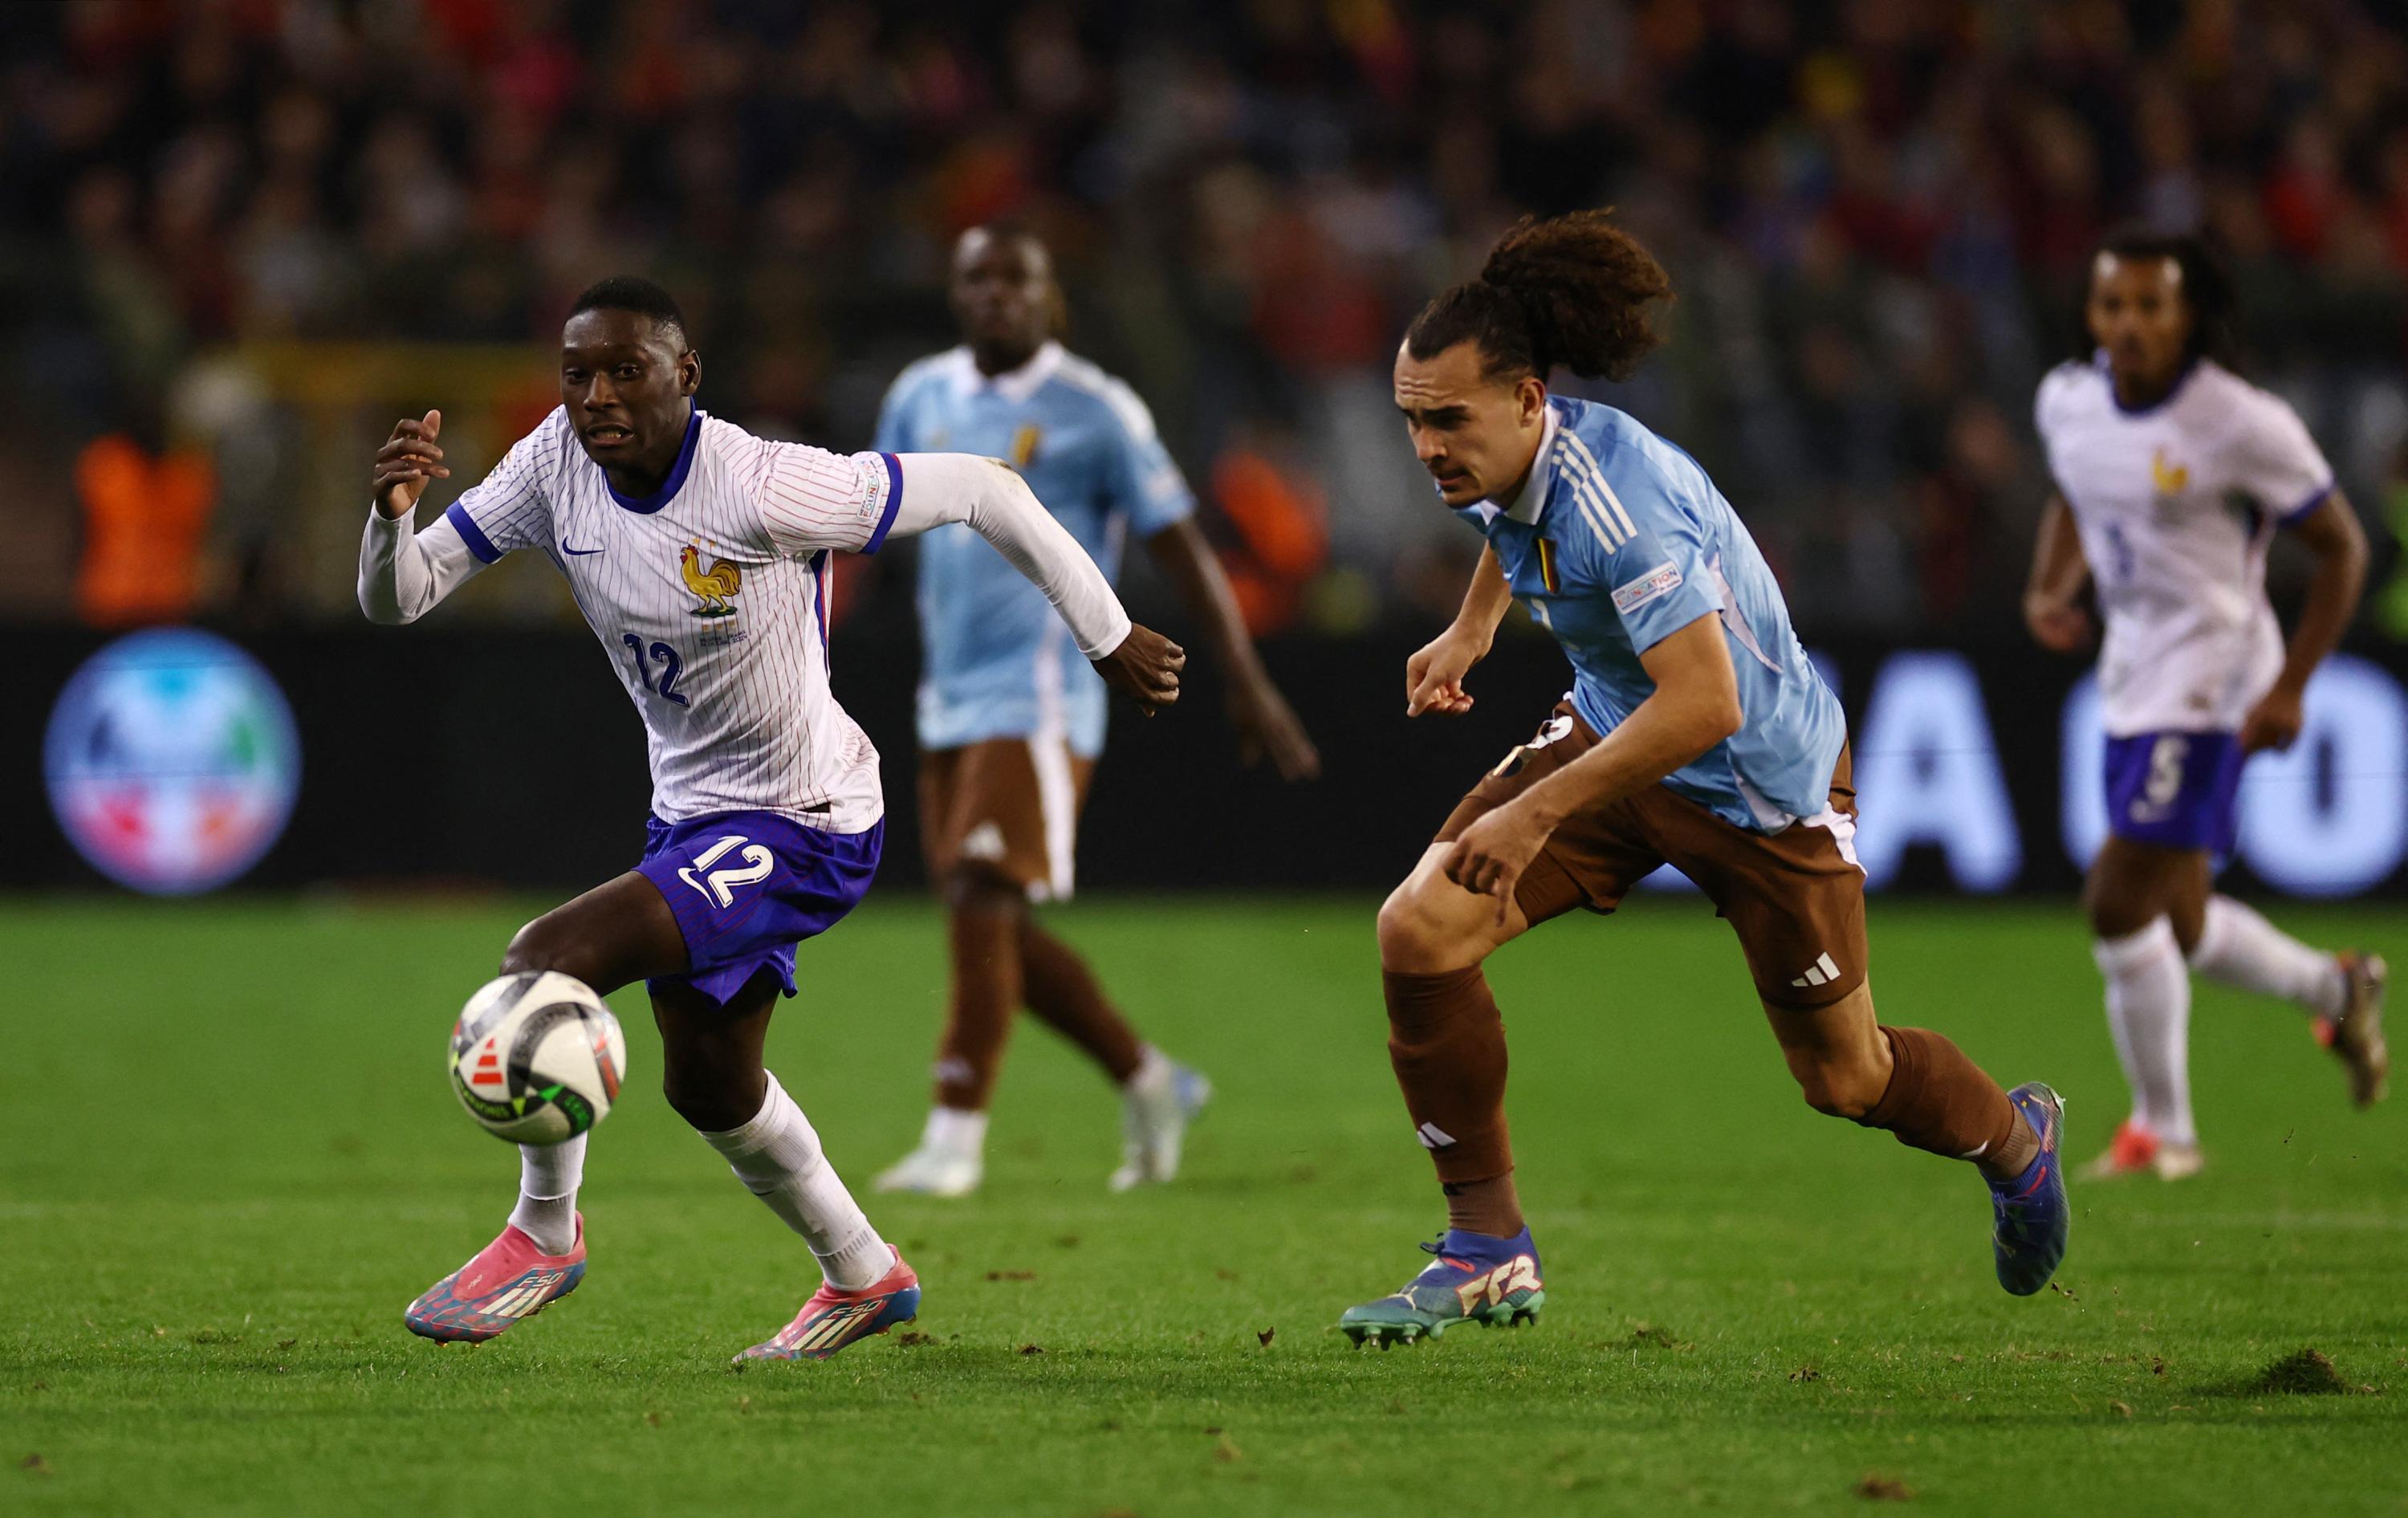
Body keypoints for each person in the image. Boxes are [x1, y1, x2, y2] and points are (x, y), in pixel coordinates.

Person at [358, 277, 1184, 1361]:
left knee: (543, 960)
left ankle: (543, 1231)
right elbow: (399, 596)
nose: (597, 396)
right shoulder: (553, 464)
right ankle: (863, 1271)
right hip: (692, 820)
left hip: (810, 817)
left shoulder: (763, 481)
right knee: (708, 1078)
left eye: (625, 370)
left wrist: (1107, 631)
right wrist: (391, 516)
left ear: (684, 375)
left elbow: (990, 490)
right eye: (578, 373)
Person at [1337, 211, 2068, 1347]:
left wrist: (1534, 811)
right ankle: (1488, 1243)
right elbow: (1502, 518)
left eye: (1446, 420)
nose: (1427, 446)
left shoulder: (1618, 514)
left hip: (1759, 788)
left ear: (1530, 399)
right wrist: (1473, 629)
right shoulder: (1503, 457)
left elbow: (1709, 703)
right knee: (1419, 929)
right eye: (1411, 421)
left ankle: (2016, 1144)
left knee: (1847, 1077)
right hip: (1617, 740)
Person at [870, 225, 1320, 1197]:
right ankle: (1150, 1078)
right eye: (977, 278)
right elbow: (865, 516)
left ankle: (955, 1137)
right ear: (956, 294)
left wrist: (1246, 677)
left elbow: (1181, 544)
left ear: (1049, 296)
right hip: (945, 692)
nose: (996, 294)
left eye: (1015, 278)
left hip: (1041, 690)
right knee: (987, 919)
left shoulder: (1096, 408)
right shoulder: (920, 394)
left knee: (983, 897)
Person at [2025, 230, 2388, 1182]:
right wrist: (2048, 586)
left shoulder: (2240, 422)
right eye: (2114, 307)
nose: (2131, 325)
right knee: (2176, 922)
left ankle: (2165, 1132)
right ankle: (2335, 985)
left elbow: (2343, 549)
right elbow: (2073, 496)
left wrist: (2290, 685)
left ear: (2190, 317)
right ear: (2092, 315)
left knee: (2114, 899)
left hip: (2218, 675)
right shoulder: (2067, 400)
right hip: (2134, 673)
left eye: (2152, 306)